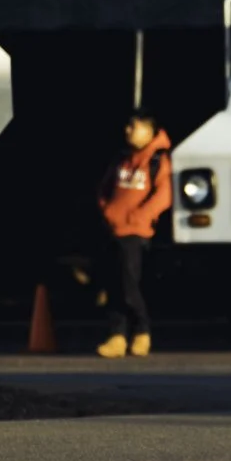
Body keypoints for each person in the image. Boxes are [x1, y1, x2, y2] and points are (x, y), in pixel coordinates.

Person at [95, 109, 171, 358]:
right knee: (112, 284)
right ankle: (116, 335)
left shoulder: (158, 160)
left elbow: (163, 195)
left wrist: (138, 217)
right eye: (128, 127)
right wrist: (107, 211)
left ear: (149, 131)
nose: (128, 131)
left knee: (130, 286)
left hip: (135, 233)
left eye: (134, 127)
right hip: (113, 229)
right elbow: (105, 189)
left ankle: (142, 331)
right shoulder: (121, 158)